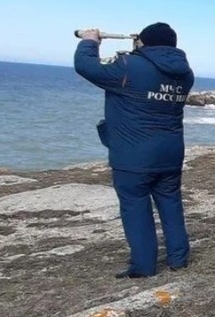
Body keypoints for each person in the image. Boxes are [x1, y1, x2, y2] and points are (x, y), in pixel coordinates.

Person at [74, 22, 195, 278]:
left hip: (133, 155)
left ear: (144, 42)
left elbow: (86, 67)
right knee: (171, 204)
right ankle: (178, 258)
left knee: (135, 208)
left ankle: (143, 266)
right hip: (170, 153)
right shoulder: (185, 73)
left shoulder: (129, 66)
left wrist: (89, 41)